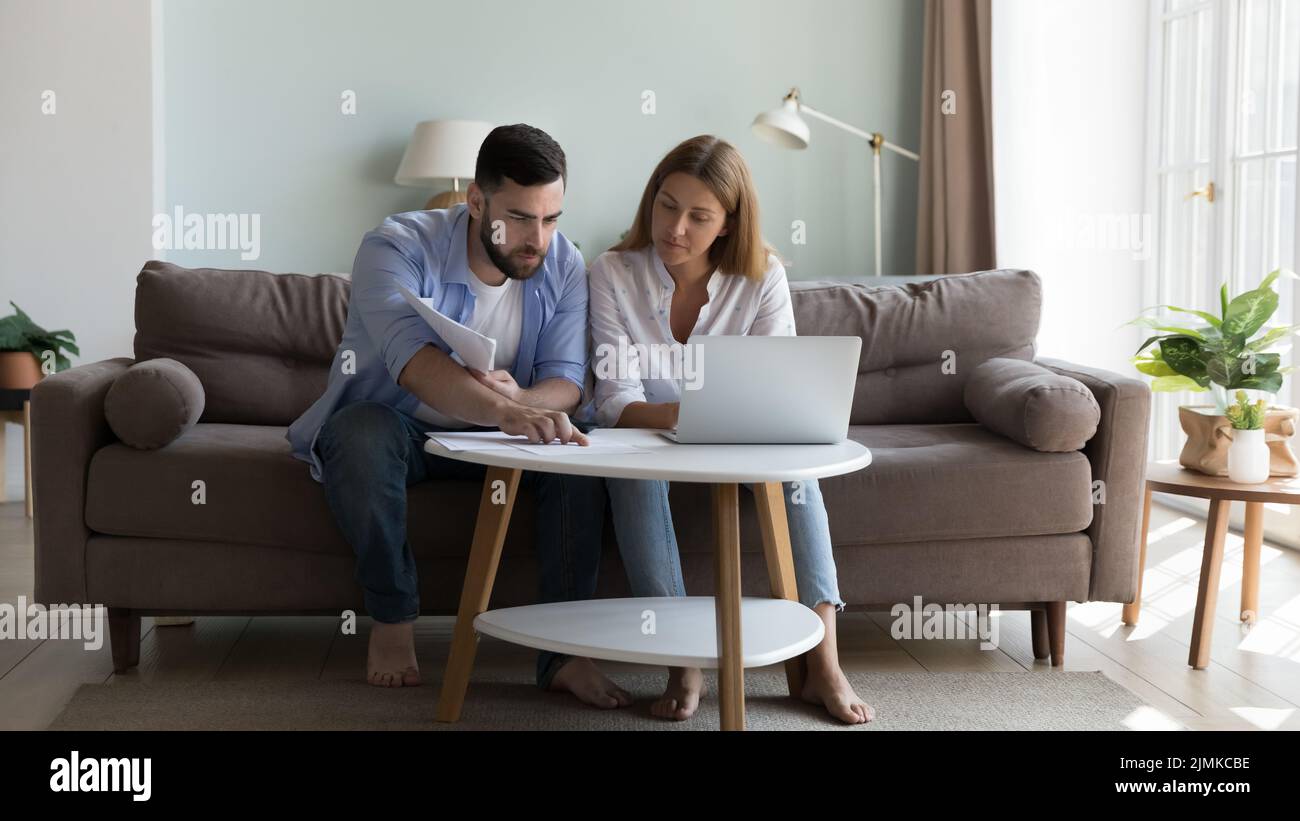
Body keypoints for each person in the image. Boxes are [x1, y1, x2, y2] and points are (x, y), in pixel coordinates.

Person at [287, 124, 631, 708]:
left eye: (551, 219)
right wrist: (507, 410)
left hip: (506, 441)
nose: (538, 239)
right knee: (359, 433)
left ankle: (565, 654)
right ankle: (393, 620)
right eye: (520, 218)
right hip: (404, 428)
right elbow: (414, 364)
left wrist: (523, 402)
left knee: (582, 446)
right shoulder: (394, 246)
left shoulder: (564, 263)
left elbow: (567, 382)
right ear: (476, 201)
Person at [587, 134, 873, 724]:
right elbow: (615, 402)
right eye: (667, 205)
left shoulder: (761, 276)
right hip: (646, 437)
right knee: (630, 477)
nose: (676, 229)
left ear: (727, 223)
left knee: (799, 482)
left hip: (743, 440)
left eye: (699, 217)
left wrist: (717, 418)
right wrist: (682, 416)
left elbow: (777, 385)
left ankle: (825, 663)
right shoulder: (613, 272)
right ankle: (681, 662)